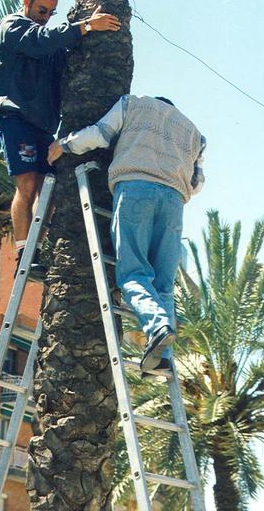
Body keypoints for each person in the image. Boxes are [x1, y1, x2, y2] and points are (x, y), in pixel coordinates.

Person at [48, 94, 206, 376]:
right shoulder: (195, 133)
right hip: (174, 202)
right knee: (164, 284)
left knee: (133, 274)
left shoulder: (133, 104)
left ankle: (157, 325)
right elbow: (197, 183)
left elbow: (100, 134)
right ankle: (162, 357)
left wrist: (64, 145)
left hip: (136, 188)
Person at [0, 0, 121, 277]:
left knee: (50, 189)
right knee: (28, 184)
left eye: (50, 13)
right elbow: (40, 42)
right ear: (26, 1)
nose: (45, 17)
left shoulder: (49, 43)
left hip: (43, 126)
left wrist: (87, 33)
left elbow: (62, 54)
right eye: (41, 9)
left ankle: (34, 250)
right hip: (15, 118)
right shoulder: (13, 26)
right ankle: (23, 254)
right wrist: (84, 26)